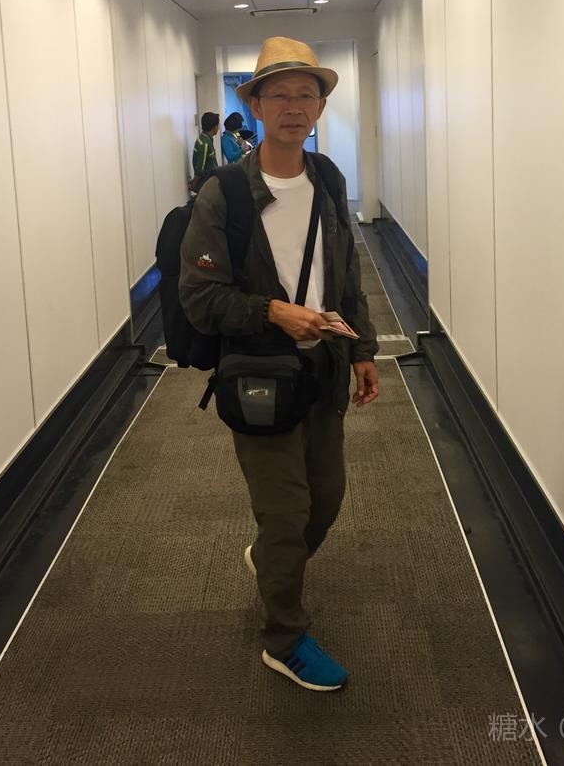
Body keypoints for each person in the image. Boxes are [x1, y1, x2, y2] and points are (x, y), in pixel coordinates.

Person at [180, 36, 379, 692]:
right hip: (259, 378)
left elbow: (347, 274)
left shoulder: (328, 178)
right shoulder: (224, 194)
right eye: (280, 95)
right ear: (257, 106)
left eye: (306, 95)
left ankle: (271, 558)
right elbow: (199, 296)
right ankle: (284, 638)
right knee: (287, 515)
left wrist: (363, 348)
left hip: (323, 373)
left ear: (319, 106)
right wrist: (271, 311)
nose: (294, 107)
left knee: (326, 500)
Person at [191, 111, 219, 192]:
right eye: (218, 125)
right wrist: (194, 185)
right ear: (215, 127)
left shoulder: (206, 139)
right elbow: (200, 169)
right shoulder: (205, 144)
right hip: (206, 185)